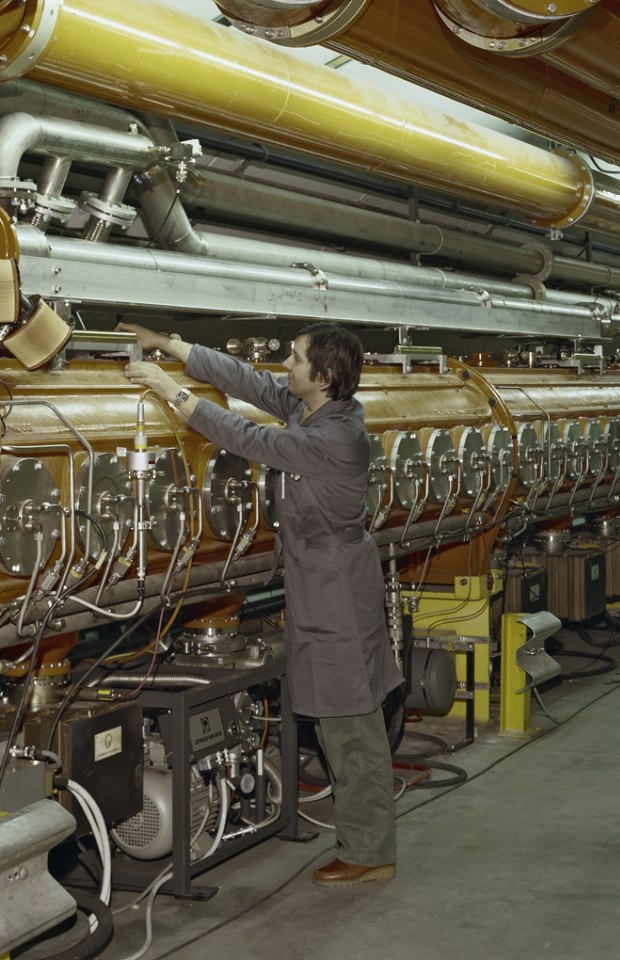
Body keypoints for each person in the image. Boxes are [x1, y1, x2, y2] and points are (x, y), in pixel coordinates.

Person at [118, 321, 402, 887]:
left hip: (336, 591)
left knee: (349, 726)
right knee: (337, 716)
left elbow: (251, 439)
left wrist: (170, 391)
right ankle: (367, 841)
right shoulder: (318, 410)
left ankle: (370, 853)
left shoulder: (333, 438)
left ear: (322, 376)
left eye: (296, 359)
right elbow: (250, 383)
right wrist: (174, 346)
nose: (286, 367)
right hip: (321, 580)